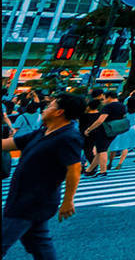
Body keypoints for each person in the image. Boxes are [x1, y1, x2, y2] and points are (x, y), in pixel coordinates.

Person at [0, 94, 85, 259]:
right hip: (26, 197)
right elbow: (9, 144)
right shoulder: (43, 132)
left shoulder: (68, 137)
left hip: (32, 201)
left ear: (59, 112)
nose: (45, 109)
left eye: (50, 106)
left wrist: (68, 200)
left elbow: (74, 169)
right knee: (39, 242)